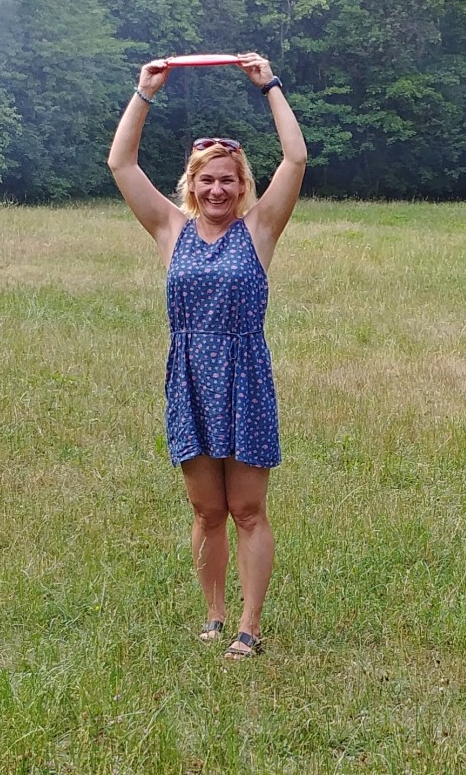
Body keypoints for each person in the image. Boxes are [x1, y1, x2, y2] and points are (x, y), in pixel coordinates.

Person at [107, 53, 306, 660]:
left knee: (247, 509)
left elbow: (296, 158)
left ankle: (249, 625)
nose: (217, 189)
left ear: (243, 186)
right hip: (190, 376)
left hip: (245, 378)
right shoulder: (170, 230)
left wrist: (269, 86)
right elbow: (121, 163)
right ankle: (214, 616)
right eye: (206, 180)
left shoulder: (260, 230)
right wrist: (145, 92)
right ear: (190, 185)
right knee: (206, 509)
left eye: (228, 180)